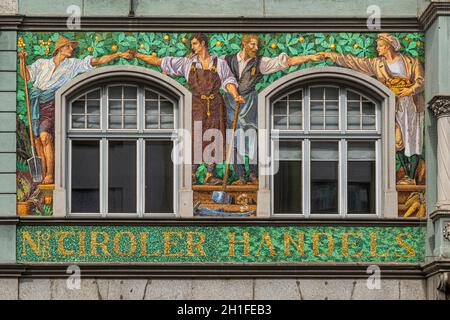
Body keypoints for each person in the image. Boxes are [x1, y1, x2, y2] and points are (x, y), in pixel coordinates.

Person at [18, 35, 134, 184]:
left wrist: (117, 54)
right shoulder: (42, 64)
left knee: (45, 136)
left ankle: (50, 175)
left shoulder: (72, 64)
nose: (71, 49)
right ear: (59, 49)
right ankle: (42, 173)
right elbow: (26, 75)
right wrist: (22, 60)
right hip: (36, 103)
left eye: (72, 46)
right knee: (37, 141)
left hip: (52, 103)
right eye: (68, 46)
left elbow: (96, 61)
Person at [135, 33, 245, 185]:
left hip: (215, 105)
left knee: (214, 137)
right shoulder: (187, 63)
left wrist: (235, 95)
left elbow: (228, 81)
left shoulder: (219, 63)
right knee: (195, 137)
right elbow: (160, 61)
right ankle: (192, 173)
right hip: (195, 105)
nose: (192, 47)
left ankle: (209, 174)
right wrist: (136, 54)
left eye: (194, 44)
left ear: (203, 44)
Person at [317, 33, 425, 185]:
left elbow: (421, 81)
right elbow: (355, 62)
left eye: (380, 46)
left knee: (412, 139)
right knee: (397, 140)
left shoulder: (411, 62)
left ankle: (411, 177)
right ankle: (406, 174)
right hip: (393, 105)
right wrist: (332, 55)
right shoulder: (377, 64)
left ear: (388, 46)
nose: (377, 48)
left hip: (411, 104)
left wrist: (410, 90)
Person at [223, 34, 324, 184]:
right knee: (234, 138)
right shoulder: (226, 60)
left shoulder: (260, 62)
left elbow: (286, 62)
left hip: (250, 102)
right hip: (231, 103)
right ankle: (239, 176)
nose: (255, 48)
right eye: (252, 45)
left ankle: (252, 173)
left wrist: (309, 57)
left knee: (252, 137)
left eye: (257, 45)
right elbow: (207, 64)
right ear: (244, 44)